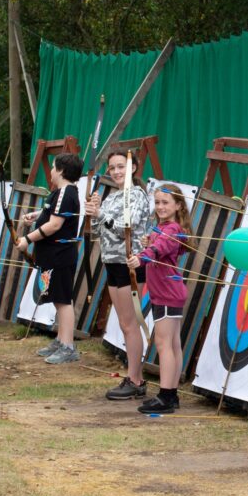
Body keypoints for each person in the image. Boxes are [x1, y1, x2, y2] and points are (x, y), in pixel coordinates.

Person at [83, 150, 152, 399]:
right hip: (112, 262)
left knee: (130, 324)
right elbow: (101, 232)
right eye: (112, 168)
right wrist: (94, 211)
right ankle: (134, 376)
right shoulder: (112, 197)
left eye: (121, 166)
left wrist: (100, 214)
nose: (116, 171)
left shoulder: (136, 194)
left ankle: (135, 379)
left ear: (133, 168)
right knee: (125, 324)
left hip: (129, 264)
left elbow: (128, 226)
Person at [130, 184, 193, 414]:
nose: (160, 207)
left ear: (178, 205)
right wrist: (150, 244)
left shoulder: (172, 229)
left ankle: (166, 396)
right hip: (169, 292)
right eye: (157, 202)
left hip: (167, 292)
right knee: (173, 344)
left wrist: (142, 257)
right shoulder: (165, 227)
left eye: (165, 202)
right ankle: (172, 395)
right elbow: (162, 245)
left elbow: (161, 248)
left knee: (164, 344)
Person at [18, 153, 84, 364]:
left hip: (60, 255)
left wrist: (27, 239)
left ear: (62, 171)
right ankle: (60, 340)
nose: (52, 171)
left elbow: (55, 224)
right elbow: (53, 214)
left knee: (63, 300)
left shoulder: (67, 193)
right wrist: (37, 215)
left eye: (54, 167)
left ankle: (68, 346)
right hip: (53, 255)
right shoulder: (62, 193)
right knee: (58, 298)